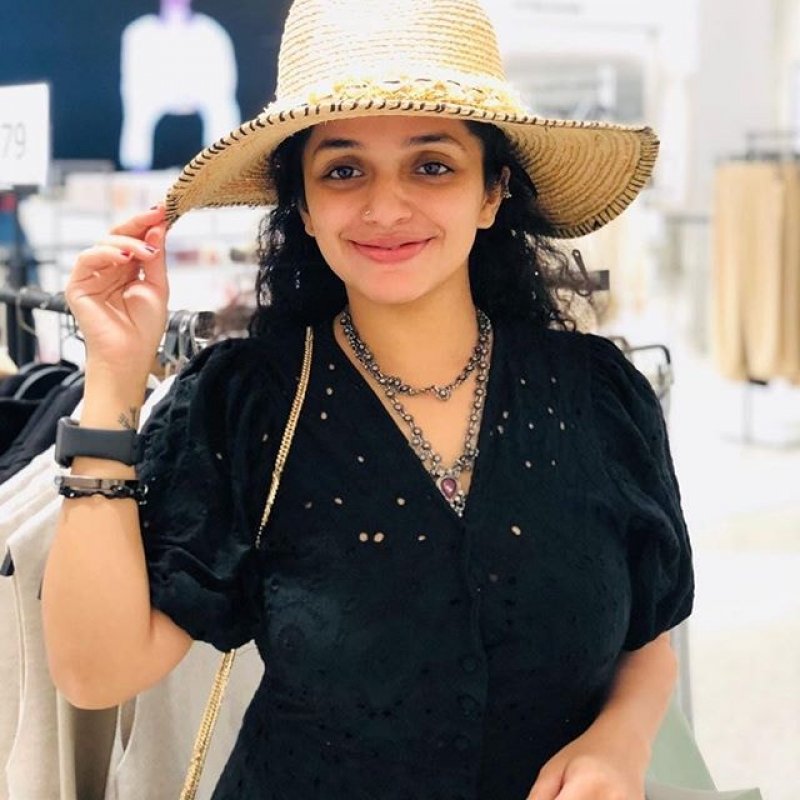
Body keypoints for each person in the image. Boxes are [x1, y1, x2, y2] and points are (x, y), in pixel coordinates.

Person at [42, 0, 694, 798]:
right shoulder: (248, 406)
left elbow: (649, 638)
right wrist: (112, 381)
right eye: (344, 170)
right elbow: (97, 672)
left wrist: (619, 742)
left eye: (432, 165)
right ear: (304, 205)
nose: (386, 208)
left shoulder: (596, 396)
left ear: (493, 192)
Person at [119, 0, 240, 170]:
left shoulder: (209, 30)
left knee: (222, 107)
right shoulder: (140, 31)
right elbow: (133, 80)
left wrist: (193, 94)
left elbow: (225, 79)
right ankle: (136, 167)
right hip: (157, 92)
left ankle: (224, 166)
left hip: (199, 90)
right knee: (138, 106)